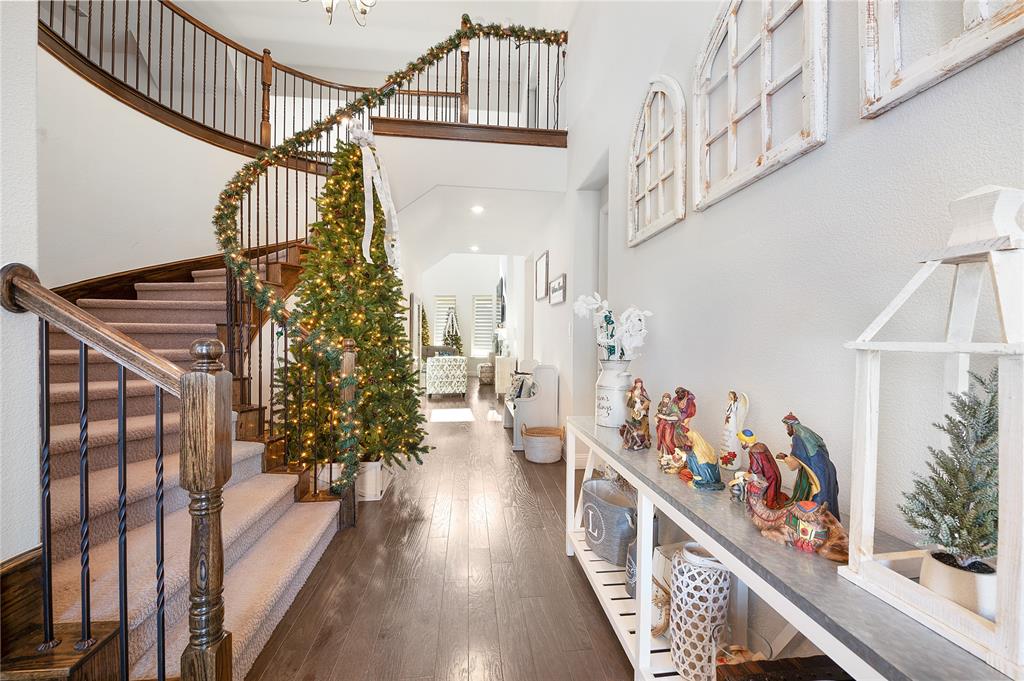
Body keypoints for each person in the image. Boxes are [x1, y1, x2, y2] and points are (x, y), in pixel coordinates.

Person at [780, 413, 840, 518]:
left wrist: (784, 458)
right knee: (827, 495)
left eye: (786, 427)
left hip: (816, 472)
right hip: (826, 467)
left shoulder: (798, 437)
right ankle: (829, 520)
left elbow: (794, 464)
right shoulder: (807, 432)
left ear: (790, 426)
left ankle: (816, 521)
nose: (786, 430)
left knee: (818, 499)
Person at [737, 429, 788, 509]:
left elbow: (755, 469)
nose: (741, 443)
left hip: (769, 478)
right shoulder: (761, 445)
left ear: (746, 441)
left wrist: (747, 474)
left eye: (742, 441)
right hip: (775, 474)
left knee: (769, 499)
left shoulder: (754, 451)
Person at [620, 379, 652, 450]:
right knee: (634, 424)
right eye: (637, 384)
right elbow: (629, 396)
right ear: (635, 384)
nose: (639, 385)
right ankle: (634, 438)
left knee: (642, 424)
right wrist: (630, 395)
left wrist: (643, 407)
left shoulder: (643, 392)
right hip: (634, 410)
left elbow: (648, 401)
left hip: (641, 410)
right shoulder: (633, 391)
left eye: (640, 384)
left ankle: (644, 439)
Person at [654, 392, 678, 458]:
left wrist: (665, 417)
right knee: (661, 439)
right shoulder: (661, 404)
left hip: (669, 425)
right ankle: (664, 454)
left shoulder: (673, 406)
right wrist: (656, 418)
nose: (665, 401)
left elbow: (676, 417)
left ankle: (673, 454)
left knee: (668, 440)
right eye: (664, 399)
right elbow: (658, 413)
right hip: (661, 424)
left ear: (669, 399)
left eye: (667, 399)